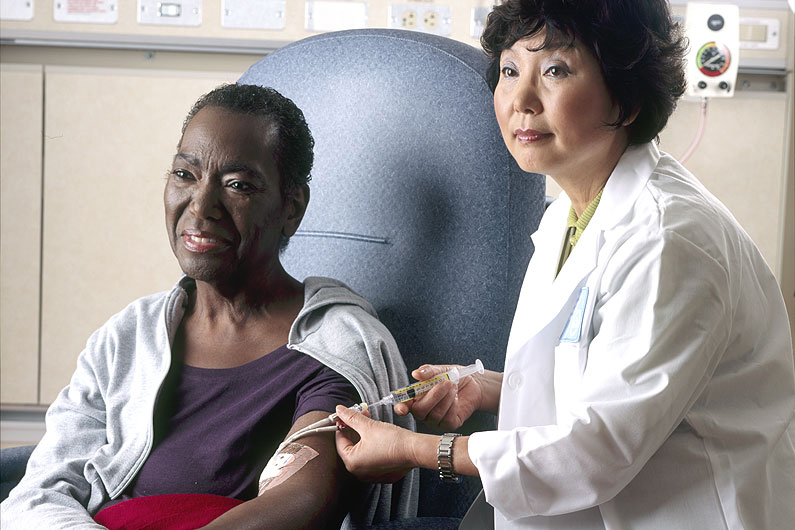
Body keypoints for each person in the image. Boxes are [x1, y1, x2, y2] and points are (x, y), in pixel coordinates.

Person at [332, 1, 795, 528]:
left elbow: (596, 449)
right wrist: (491, 387)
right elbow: (605, 385)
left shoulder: (670, 241)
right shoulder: (569, 216)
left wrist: (418, 450)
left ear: (625, 95)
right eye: (510, 71)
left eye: (555, 70)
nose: (521, 101)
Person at [0, 84, 417, 530]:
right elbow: (40, 493)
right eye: (185, 175)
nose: (200, 206)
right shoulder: (126, 340)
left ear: (291, 209)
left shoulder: (333, 348)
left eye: (237, 185)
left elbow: (301, 499)